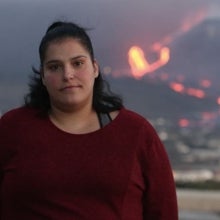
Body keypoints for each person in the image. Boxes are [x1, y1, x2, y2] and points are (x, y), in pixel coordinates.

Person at [0, 21, 178, 219]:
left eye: (77, 63)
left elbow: (164, 212)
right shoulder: (12, 129)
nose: (67, 75)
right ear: (42, 76)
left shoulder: (136, 133)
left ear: (95, 68)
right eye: (54, 67)